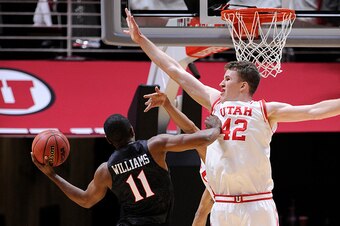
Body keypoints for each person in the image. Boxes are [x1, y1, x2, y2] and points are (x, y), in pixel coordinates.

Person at [124, 8, 340, 226]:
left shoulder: (265, 110)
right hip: (223, 205)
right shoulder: (215, 101)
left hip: (257, 204)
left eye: (227, 79)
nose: (221, 83)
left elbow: (315, 110)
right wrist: (141, 40)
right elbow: (175, 70)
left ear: (243, 85)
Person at [31, 113, 221, 226]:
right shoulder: (155, 146)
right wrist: (215, 128)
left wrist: (52, 175)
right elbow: (203, 139)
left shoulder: (105, 171)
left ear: (108, 141)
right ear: (132, 130)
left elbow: (85, 200)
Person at [143, 87, 214, 226]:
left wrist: (167, 105)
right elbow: (201, 213)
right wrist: (167, 104)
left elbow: (191, 129)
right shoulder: (212, 186)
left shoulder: (212, 156)